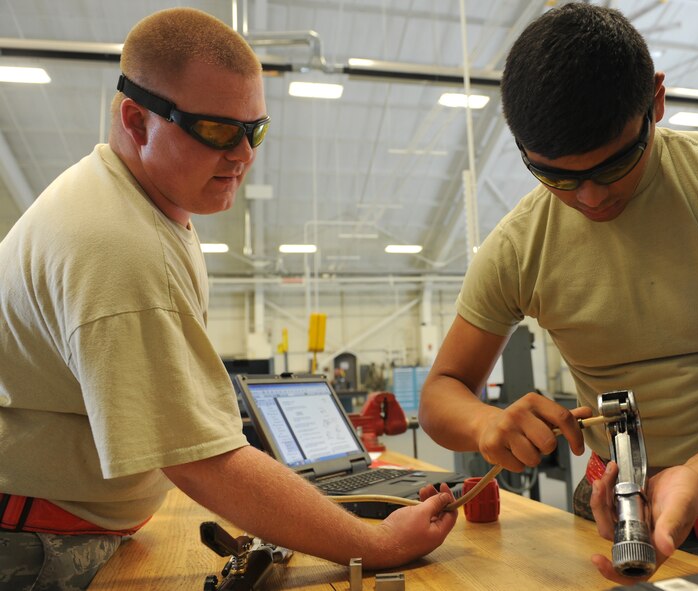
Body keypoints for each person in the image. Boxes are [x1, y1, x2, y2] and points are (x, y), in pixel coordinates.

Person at [0, 8, 456, 590]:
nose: (243, 154)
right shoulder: (114, 244)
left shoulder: (146, 212)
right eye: (217, 130)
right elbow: (200, 460)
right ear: (137, 122)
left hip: (72, 528)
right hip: (34, 549)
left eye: (255, 129)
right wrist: (375, 542)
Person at [418, 3, 698, 585]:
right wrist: (486, 425)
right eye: (556, 177)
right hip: (609, 526)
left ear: (656, 99)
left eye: (614, 165)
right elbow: (442, 392)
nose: (590, 199)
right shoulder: (518, 245)